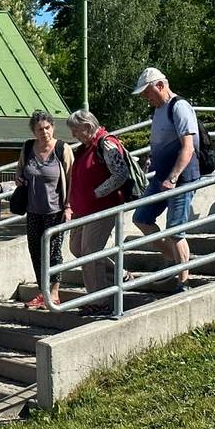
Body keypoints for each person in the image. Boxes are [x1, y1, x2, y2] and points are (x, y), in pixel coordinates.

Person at [131, 68, 198, 294]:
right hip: (160, 177)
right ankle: (174, 261)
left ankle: (184, 279)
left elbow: (188, 147)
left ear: (160, 85)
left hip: (180, 179)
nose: (145, 98)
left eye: (147, 92)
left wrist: (174, 176)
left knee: (175, 230)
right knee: (141, 218)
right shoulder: (158, 111)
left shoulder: (179, 107)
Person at [66, 110, 131, 295]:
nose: (73, 135)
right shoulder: (84, 147)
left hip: (101, 209)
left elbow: (121, 174)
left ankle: (98, 300)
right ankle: (120, 275)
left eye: (76, 130)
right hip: (83, 210)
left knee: (89, 254)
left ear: (87, 126)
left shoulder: (106, 144)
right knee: (77, 249)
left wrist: (96, 193)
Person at [15, 111, 74, 308]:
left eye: (47, 128)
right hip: (33, 210)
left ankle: (54, 293)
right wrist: (19, 179)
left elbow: (71, 178)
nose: (44, 132)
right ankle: (43, 291)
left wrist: (68, 206)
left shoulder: (62, 149)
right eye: (39, 129)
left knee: (54, 252)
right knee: (36, 251)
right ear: (34, 131)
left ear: (53, 128)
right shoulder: (28, 147)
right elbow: (20, 170)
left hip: (55, 210)